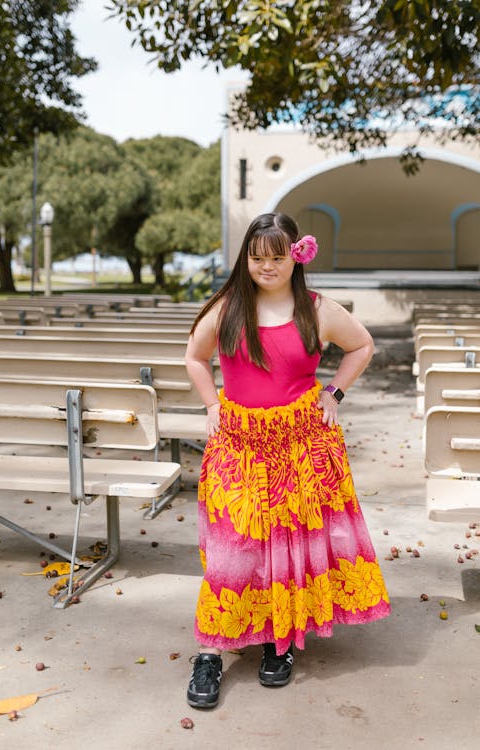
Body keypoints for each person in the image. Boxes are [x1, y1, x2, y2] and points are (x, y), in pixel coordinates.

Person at [184, 212, 391, 709]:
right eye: (257, 258)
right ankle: (210, 651)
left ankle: (279, 642)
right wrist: (212, 404)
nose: (266, 267)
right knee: (232, 550)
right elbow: (195, 356)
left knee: (289, 546)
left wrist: (334, 394)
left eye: (276, 257)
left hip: (302, 445)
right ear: (247, 259)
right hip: (239, 444)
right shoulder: (228, 306)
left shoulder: (317, 310)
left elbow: (362, 345)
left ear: (295, 256)